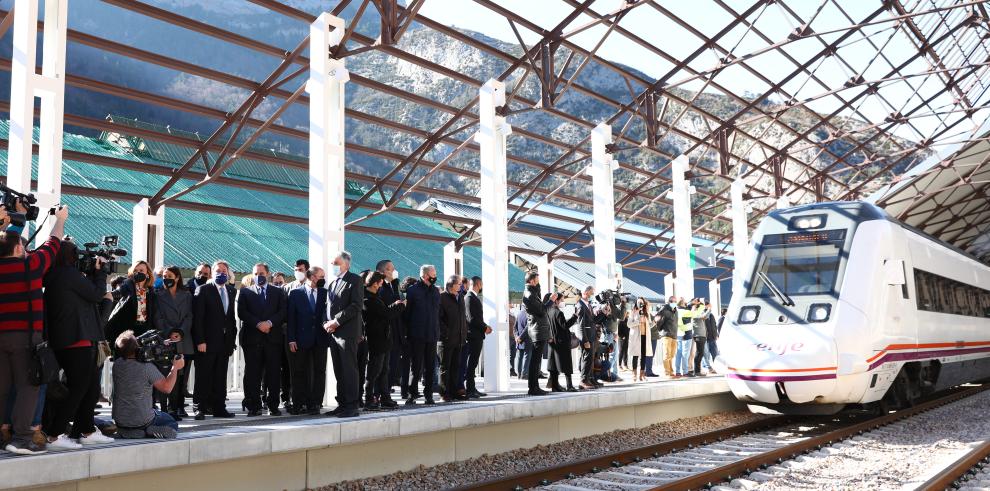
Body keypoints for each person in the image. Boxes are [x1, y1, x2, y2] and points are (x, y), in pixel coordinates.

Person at [0, 204, 66, 455]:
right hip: (25, 338)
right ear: (19, 248)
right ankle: (22, 438)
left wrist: (10, 222)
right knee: (29, 386)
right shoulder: (30, 266)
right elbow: (53, 243)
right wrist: (59, 219)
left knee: (2, 387)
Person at [41, 239, 114, 449]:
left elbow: (85, 294)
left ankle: (86, 430)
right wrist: (100, 274)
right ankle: (55, 434)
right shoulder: (68, 275)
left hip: (65, 340)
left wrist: (92, 275)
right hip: (76, 340)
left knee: (91, 387)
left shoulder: (53, 276)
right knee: (79, 387)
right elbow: (95, 294)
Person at [112, 331, 184, 439]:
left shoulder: (117, 364)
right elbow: (167, 388)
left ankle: (130, 432)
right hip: (142, 420)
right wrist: (175, 368)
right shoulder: (146, 367)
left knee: (154, 412)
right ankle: (147, 431)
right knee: (171, 421)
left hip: (120, 421)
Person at [237, 263, 287, 416]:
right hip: (253, 339)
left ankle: (273, 405)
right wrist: (258, 324)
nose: (259, 275)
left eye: (262, 273)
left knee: (273, 374)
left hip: (273, 339)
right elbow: (242, 312)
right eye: (256, 273)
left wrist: (270, 323)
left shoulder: (278, 292)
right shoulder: (245, 292)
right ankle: (254, 405)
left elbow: (283, 311)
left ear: (268, 274)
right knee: (253, 374)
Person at [191, 260, 237, 420]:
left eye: (224, 270)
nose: (221, 273)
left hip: (224, 342)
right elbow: (198, 318)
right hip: (207, 342)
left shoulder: (231, 291)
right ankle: (199, 407)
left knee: (220, 376)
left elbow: (230, 318)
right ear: (212, 273)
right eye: (218, 270)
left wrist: (232, 341)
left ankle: (219, 407)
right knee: (204, 375)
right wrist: (200, 341)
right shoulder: (203, 290)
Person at [323, 251, 363, 418]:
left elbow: (356, 305)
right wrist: (326, 322)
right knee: (339, 370)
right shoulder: (333, 283)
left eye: (336, 263)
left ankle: (352, 405)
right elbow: (328, 307)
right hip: (334, 333)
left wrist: (336, 321)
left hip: (347, 333)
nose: (333, 266)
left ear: (346, 264)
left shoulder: (354, 280)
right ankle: (342, 403)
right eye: (333, 263)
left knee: (349, 369)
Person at [286, 267, 328, 415]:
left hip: (320, 338)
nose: (323, 279)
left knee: (319, 372)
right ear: (311, 276)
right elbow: (291, 318)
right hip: (301, 338)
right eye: (320, 276)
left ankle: (315, 403)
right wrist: (291, 339)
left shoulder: (325, 293)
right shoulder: (295, 293)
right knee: (299, 371)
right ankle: (298, 403)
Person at [153, 265, 193, 420]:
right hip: (166, 339)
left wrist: (181, 331)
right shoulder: (158, 294)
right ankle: (165, 409)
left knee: (181, 375)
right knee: (165, 373)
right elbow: (157, 317)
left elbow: (189, 315)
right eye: (164, 275)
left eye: (169, 275)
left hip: (183, 339)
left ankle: (175, 407)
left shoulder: (187, 295)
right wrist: (170, 331)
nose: (166, 278)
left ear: (177, 277)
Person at [362, 270, 404, 409]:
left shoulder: (375, 297)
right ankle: (369, 399)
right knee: (374, 371)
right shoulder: (367, 299)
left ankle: (385, 397)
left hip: (384, 340)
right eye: (380, 283)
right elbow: (386, 314)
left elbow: (384, 311)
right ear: (374, 284)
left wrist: (394, 305)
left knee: (384, 370)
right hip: (376, 340)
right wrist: (400, 305)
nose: (381, 285)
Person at [403, 265, 440, 406]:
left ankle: (428, 395)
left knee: (430, 367)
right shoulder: (412, 291)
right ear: (425, 276)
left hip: (432, 334)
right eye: (433, 273)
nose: (435, 276)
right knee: (416, 366)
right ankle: (412, 394)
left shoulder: (436, 291)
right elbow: (407, 314)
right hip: (417, 335)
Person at [106, 261, 157, 352]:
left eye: (141, 270)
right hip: (127, 332)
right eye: (135, 270)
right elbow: (119, 292)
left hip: (144, 331)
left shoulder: (151, 291)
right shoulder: (127, 285)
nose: (138, 272)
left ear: (148, 274)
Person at [375, 260, 405, 403]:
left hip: (396, 332)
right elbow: (385, 309)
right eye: (391, 269)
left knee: (391, 366)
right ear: (383, 271)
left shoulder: (393, 286)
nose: (394, 272)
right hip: (384, 332)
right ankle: (378, 395)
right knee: (381, 366)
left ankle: (385, 394)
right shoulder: (379, 288)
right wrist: (397, 304)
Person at [437, 275, 467, 402]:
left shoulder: (460, 297)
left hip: (458, 339)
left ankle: (454, 391)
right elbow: (438, 319)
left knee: (456, 366)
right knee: (445, 367)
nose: (461, 286)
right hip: (446, 340)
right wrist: (447, 333)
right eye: (459, 284)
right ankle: (444, 393)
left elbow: (462, 318)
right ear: (451, 285)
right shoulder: (442, 297)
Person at [521, 272, 551, 396]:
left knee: (536, 360)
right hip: (536, 329)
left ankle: (535, 386)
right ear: (532, 281)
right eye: (537, 280)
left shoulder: (532, 292)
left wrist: (537, 288)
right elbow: (541, 310)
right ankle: (533, 387)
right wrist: (550, 301)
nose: (539, 282)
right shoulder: (529, 294)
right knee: (535, 360)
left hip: (538, 328)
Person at [462, 276, 490, 398]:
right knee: (471, 363)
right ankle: (470, 389)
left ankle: (472, 388)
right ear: (478, 284)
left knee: (473, 363)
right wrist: (485, 327)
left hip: (476, 335)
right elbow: (471, 318)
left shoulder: (473, 297)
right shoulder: (469, 297)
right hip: (473, 335)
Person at [545, 293, 577, 392]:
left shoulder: (548, 311)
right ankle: (569, 385)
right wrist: (574, 317)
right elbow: (565, 325)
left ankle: (555, 386)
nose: (563, 302)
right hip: (562, 341)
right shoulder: (558, 313)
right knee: (567, 364)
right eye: (562, 300)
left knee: (553, 364)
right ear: (556, 300)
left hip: (552, 341)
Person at [576, 286, 604, 390]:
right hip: (586, 337)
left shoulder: (588, 305)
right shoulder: (580, 305)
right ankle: (583, 380)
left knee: (590, 359)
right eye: (591, 292)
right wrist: (585, 340)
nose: (592, 294)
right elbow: (580, 325)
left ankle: (588, 379)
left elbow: (593, 320)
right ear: (586, 292)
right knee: (586, 359)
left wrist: (603, 313)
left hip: (591, 335)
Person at [628, 297, 653, 382]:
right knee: (635, 356)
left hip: (644, 336)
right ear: (636, 303)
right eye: (639, 303)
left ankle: (641, 375)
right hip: (636, 337)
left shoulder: (646, 313)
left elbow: (649, 326)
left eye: (642, 303)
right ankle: (634, 374)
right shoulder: (633, 312)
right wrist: (638, 322)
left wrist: (655, 322)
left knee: (643, 356)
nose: (640, 304)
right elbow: (628, 324)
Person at [656, 297, 678, 378]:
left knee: (672, 355)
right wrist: (660, 329)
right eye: (673, 301)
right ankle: (667, 372)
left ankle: (671, 371)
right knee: (667, 354)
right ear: (669, 302)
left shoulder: (676, 310)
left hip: (674, 335)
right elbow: (657, 318)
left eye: (676, 301)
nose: (675, 303)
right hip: (666, 335)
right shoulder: (664, 309)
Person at [674, 298, 693, 378]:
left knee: (678, 354)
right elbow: (696, 314)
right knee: (685, 354)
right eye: (685, 302)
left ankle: (678, 372)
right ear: (682, 304)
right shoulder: (686, 311)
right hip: (686, 334)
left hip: (678, 334)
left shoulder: (675, 311)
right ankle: (685, 372)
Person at [513, 301, 531, 380]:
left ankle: (519, 374)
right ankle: (524, 374)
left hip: (519, 340)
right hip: (526, 339)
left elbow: (515, 327)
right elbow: (527, 328)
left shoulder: (519, 314)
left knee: (520, 357)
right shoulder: (529, 315)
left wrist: (517, 337)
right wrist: (520, 337)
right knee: (527, 357)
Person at [703, 301, 719, 374]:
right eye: (709, 305)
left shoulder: (711, 315)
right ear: (705, 306)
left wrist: (716, 334)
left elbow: (715, 325)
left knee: (715, 353)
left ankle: (717, 366)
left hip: (712, 337)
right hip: (705, 338)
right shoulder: (702, 314)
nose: (710, 307)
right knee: (706, 354)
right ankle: (707, 368)